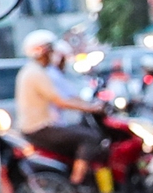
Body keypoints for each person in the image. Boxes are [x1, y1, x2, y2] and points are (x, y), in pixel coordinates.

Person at [14, 32, 109, 184]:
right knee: (91, 137)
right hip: (40, 128)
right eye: (51, 51)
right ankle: (76, 181)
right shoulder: (35, 73)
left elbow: (70, 96)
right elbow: (60, 101)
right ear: (41, 52)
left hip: (45, 126)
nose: (54, 55)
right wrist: (92, 109)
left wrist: (89, 105)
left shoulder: (38, 71)